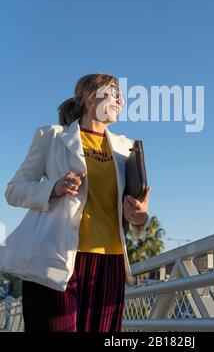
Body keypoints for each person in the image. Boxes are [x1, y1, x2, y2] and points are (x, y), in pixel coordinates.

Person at [0, 73, 150, 332]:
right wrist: (53, 188)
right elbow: (13, 191)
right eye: (114, 91)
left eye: (121, 95)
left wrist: (139, 216)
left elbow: (132, 211)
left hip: (110, 264)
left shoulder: (126, 148)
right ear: (91, 97)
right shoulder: (51, 137)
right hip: (57, 258)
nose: (121, 100)